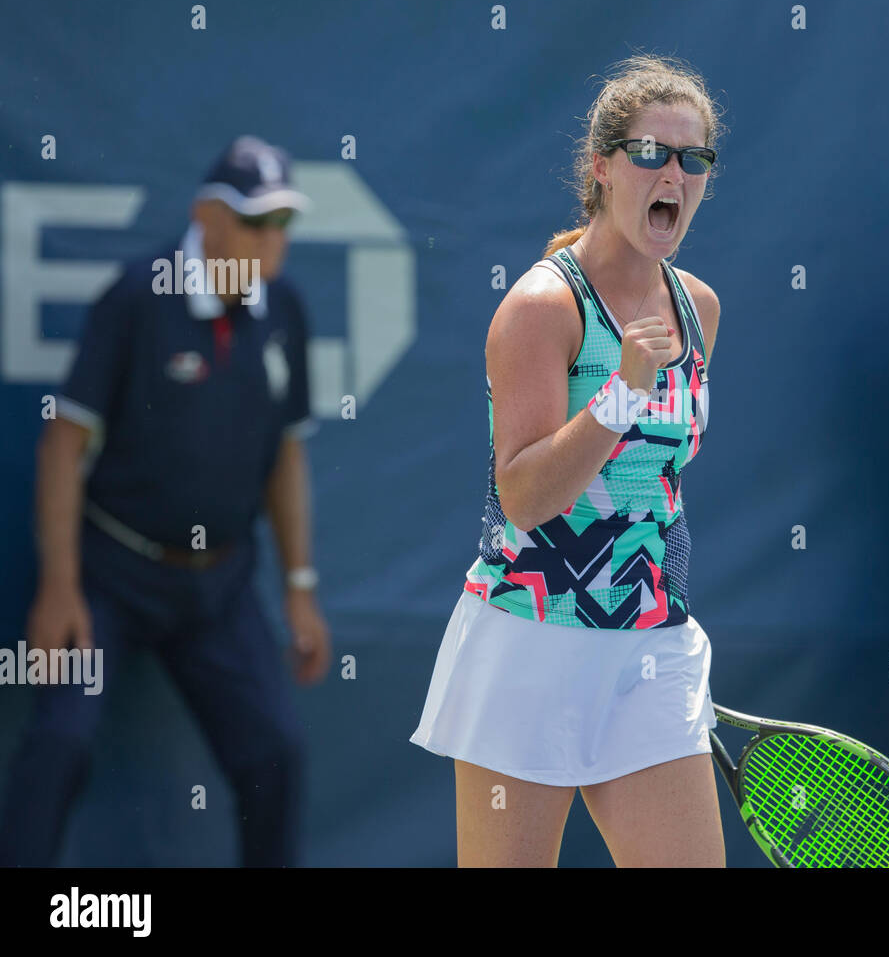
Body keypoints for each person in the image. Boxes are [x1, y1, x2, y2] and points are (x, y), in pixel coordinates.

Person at [410, 55, 724, 867]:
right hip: (529, 646)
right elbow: (524, 497)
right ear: (603, 167)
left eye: (693, 159)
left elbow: (658, 490)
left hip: (651, 650)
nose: (673, 175)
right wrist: (621, 392)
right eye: (651, 153)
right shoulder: (540, 308)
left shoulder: (700, 308)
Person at [0, 135, 330, 867]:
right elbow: (63, 444)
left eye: (282, 224)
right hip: (109, 574)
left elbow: (285, 453)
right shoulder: (134, 297)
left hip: (220, 585)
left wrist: (300, 587)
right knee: (58, 743)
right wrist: (59, 586)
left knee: (275, 750)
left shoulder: (286, 310)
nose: (270, 242)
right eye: (254, 221)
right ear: (206, 215)